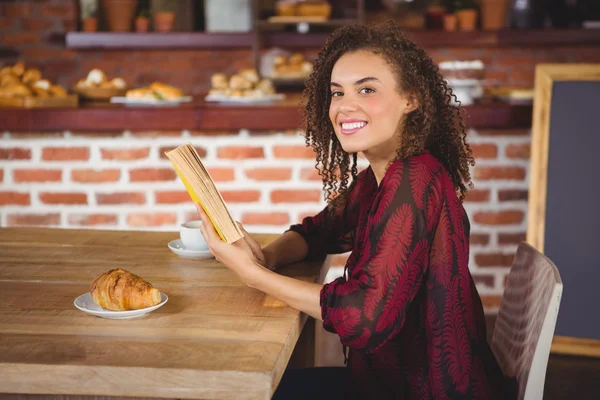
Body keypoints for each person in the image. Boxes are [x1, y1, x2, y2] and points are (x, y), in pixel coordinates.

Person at [195, 21, 517, 400]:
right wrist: (268, 256)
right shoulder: (383, 177)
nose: (345, 106)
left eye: (367, 89)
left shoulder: (415, 179)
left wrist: (252, 275)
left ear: (410, 99)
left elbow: (364, 318)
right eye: (337, 93)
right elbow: (319, 232)